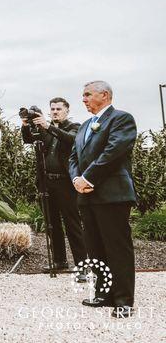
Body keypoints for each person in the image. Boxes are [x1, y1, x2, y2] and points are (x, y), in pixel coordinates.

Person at [69, 80, 137, 319]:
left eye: (87, 94)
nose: (84, 99)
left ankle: (123, 300)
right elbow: (73, 157)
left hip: (112, 194)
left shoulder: (121, 119)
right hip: (86, 196)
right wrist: (76, 179)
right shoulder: (84, 125)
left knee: (117, 247)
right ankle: (103, 293)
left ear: (105, 95)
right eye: (83, 95)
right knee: (94, 247)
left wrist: (88, 178)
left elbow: (114, 151)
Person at [21, 98, 87, 277]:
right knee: (52, 225)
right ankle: (59, 261)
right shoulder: (45, 129)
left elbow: (71, 140)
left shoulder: (75, 127)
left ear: (66, 111)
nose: (55, 112)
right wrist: (26, 125)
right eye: (52, 109)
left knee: (72, 225)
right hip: (46, 183)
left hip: (66, 183)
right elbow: (28, 140)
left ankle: (82, 266)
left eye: (59, 109)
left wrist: (48, 126)